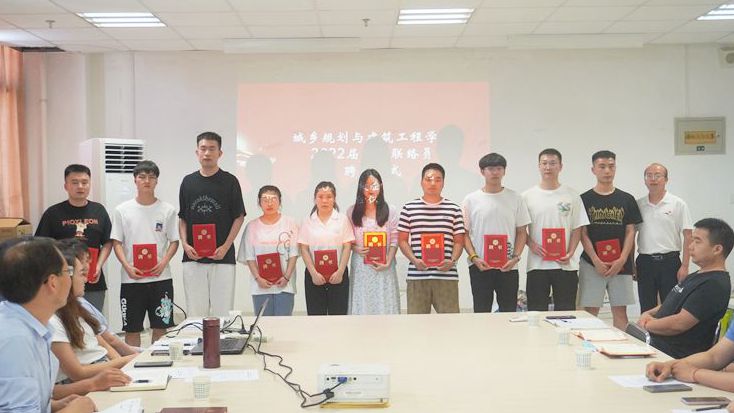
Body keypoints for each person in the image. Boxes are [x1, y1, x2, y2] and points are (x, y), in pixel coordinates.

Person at [0, 237, 96, 413]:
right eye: (68, 271)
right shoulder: (15, 340)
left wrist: (52, 405)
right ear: (53, 282)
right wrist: (76, 410)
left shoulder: (30, 324)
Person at [638, 218, 732, 359]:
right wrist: (648, 313)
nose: (690, 246)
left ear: (717, 249)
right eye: (692, 240)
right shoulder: (698, 275)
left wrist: (648, 324)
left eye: (697, 242)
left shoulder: (714, 284)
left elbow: (679, 324)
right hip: (655, 343)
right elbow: (671, 303)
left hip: (672, 355)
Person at [111, 160, 179, 346]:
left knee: (161, 327)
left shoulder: (168, 210)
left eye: (151, 177)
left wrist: (163, 263)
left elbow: (174, 241)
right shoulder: (122, 210)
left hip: (161, 279)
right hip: (131, 280)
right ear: (135, 180)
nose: (147, 181)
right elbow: (116, 242)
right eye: (142, 177)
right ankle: (133, 362)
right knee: (132, 329)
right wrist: (127, 266)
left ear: (157, 181)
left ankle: (160, 360)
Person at [178, 132, 246, 317]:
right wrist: (185, 244)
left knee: (223, 313)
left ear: (220, 153)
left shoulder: (230, 181)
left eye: (212, 149)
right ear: (197, 152)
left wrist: (225, 246)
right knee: (195, 312)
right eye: (203, 149)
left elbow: (239, 217)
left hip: (222, 257)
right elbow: (183, 218)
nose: (207, 153)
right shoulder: (188, 182)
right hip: (193, 258)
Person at [49, 244, 137, 384]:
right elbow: (77, 373)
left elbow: (104, 346)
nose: (85, 279)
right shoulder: (53, 320)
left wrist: (125, 368)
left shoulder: (79, 308)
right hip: (93, 376)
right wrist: (126, 361)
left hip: (105, 368)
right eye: (82, 274)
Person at [35, 164, 113, 312]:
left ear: (90, 184)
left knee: (93, 321)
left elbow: (108, 242)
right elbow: (42, 245)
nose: (80, 186)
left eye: (84, 182)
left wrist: (98, 265)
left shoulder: (99, 210)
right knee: (64, 322)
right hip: (61, 280)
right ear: (66, 186)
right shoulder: (52, 213)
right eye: (75, 182)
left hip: (92, 279)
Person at [578, 150, 642, 330]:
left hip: (621, 264)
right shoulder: (584, 199)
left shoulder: (627, 199)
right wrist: (595, 260)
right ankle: (589, 344)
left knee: (620, 311)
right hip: (591, 263)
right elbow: (582, 233)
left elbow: (631, 231)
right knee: (590, 311)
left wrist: (622, 259)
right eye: (602, 166)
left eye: (611, 166)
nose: (607, 171)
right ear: (593, 170)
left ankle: (620, 344)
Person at [462, 153, 530, 313]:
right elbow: (464, 234)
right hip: (480, 266)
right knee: (481, 311)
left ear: (504, 171)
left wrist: (515, 257)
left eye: (499, 168)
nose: (495, 172)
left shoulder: (515, 198)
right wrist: (474, 257)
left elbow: (522, 232)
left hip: (508, 266)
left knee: (508, 311)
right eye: (490, 169)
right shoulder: (471, 200)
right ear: (482, 171)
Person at [522, 148, 588, 312]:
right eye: (544, 163)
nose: (548, 167)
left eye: (552, 163)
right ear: (539, 166)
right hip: (537, 265)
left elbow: (577, 228)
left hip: (565, 265)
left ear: (560, 166)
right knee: (536, 312)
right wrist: (532, 245)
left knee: (566, 312)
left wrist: (571, 252)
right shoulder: (527, 196)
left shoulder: (572, 195)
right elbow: (521, 230)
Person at [398, 163, 465, 314]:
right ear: (421, 182)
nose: (433, 183)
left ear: (443, 183)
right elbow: (402, 240)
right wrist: (414, 260)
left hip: (447, 276)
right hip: (417, 276)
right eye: (428, 179)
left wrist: (452, 261)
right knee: (416, 322)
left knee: (450, 322)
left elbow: (459, 241)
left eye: (438, 179)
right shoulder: (409, 208)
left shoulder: (454, 209)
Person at [57, 238, 140, 356]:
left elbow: (105, 343)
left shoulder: (79, 305)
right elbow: (109, 341)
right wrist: (131, 359)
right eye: (85, 261)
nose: (88, 267)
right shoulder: (59, 316)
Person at [636, 163, 693, 313]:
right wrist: (630, 264)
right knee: (646, 306)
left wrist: (685, 266)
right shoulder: (638, 205)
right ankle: (647, 330)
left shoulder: (678, 204)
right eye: (649, 175)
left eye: (657, 175)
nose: (653, 179)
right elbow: (631, 234)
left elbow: (688, 236)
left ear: (666, 179)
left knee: (671, 306)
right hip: (645, 262)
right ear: (644, 180)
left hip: (670, 262)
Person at [237, 185, 299, 316]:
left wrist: (286, 277)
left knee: (284, 323)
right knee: (263, 323)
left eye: (273, 199)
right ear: (259, 202)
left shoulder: (290, 223)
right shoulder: (252, 226)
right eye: (265, 200)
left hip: (285, 285)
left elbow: (293, 254)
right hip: (260, 286)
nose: (269, 203)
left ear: (280, 201)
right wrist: (258, 278)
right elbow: (249, 257)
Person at [347, 169, 400, 315]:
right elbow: (347, 240)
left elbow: (395, 239)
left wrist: (388, 260)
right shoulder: (352, 211)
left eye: (374, 185)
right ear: (361, 188)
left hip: (385, 265)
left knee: (385, 303)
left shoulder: (390, 210)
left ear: (381, 186)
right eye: (366, 186)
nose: (371, 189)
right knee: (363, 304)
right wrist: (356, 248)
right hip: (361, 266)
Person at [298, 181, 354, 315]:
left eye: (329, 197)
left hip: (338, 273)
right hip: (314, 275)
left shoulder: (342, 219)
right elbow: (304, 249)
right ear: (314, 199)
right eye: (320, 197)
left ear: (334, 199)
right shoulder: (307, 221)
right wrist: (313, 273)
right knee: (316, 316)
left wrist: (340, 272)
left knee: (339, 315)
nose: (325, 200)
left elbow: (347, 246)